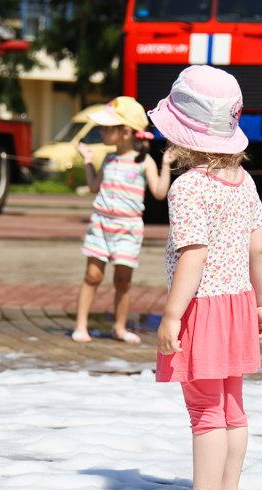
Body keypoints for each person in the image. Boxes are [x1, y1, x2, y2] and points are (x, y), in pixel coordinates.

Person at [149, 65, 262, 490]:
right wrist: (259, 302)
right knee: (232, 405)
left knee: (204, 408)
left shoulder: (187, 187)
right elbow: (259, 251)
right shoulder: (246, 182)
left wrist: (171, 315)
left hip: (202, 308)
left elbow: (193, 257)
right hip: (238, 303)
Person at [72, 97, 176, 344]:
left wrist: (166, 165)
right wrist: (87, 160)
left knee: (123, 281)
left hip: (128, 228)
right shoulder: (108, 159)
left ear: (126, 132)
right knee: (93, 276)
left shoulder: (144, 161)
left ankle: (119, 328)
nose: (102, 132)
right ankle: (80, 326)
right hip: (101, 223)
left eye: (108, 128)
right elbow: (94, 186)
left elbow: (160, 193)